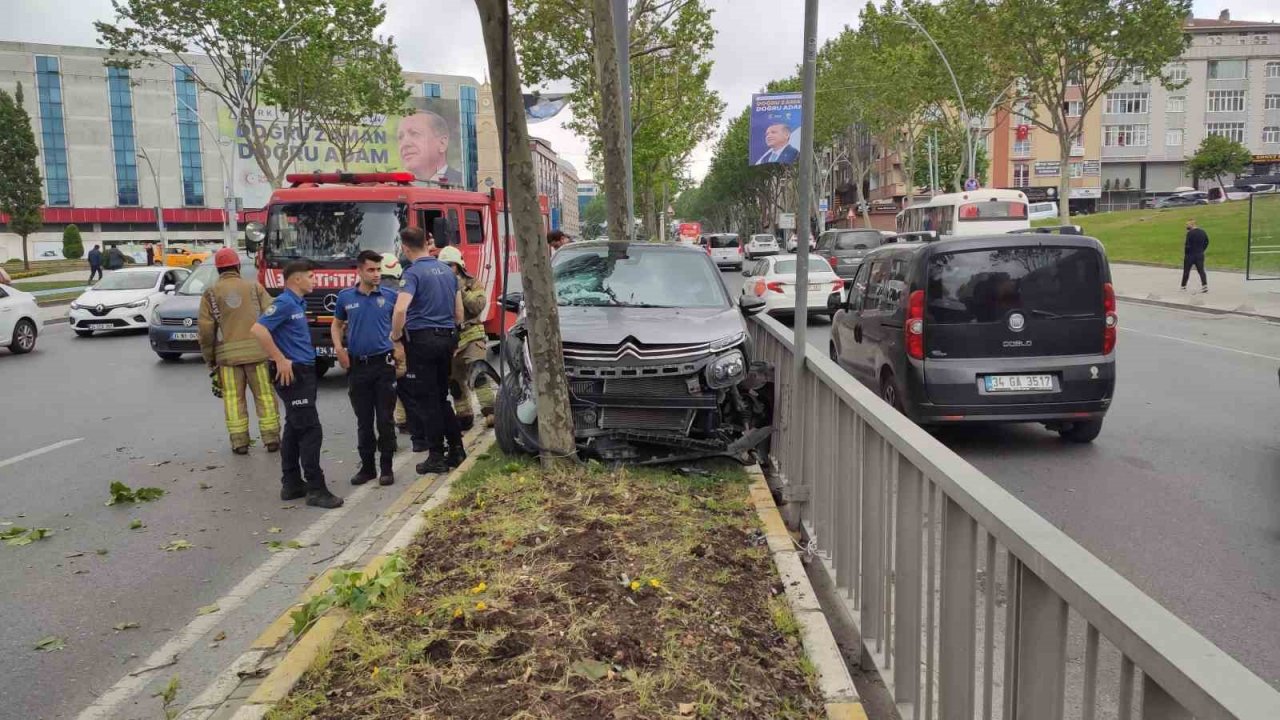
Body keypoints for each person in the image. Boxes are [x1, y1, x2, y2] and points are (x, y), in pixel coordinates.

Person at [250, 260, 344, 509]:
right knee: (311, 429)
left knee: (294, 427)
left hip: (303, 371)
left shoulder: (297, 303)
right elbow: (258, 330)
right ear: (296, 280)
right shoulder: (283, 303)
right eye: (311, 277)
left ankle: (291, 483)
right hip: (294, 373)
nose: (315, 281)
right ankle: (316, 488)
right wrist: (280, 359)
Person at [391, 227, 465, 475]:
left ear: (405, 247)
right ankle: (456, 448)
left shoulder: (412, 274)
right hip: (447, 338)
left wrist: (396, 336)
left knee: (427, 401)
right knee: (441, 396)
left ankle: (436, 455)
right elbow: (459, 312)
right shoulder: (446, 270)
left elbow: (401, 309)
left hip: (422, 341)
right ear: (426, 243)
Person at [198, 247, 281, 455]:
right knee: (265, 396)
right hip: (258, 354)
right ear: (237, 266)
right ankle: (272, 439)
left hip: (227, 360)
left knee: (234, 400)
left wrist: (210, 359)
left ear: (218, 269)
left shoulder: (210, 294)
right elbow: (273, 315)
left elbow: (206, 331)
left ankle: (239, 443)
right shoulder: (255, 288)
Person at [331, 250, 400, 487]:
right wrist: (339, 349)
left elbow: (401, 326)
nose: (376, 274)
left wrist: (400, 349)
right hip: (358, 367)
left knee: (385, 419)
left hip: (383, 365)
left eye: (379, 269)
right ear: (359, 271)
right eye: (371, 270)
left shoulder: (390, 296)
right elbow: (336, 325)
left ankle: (387, 467)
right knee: (364, 420)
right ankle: (368, 467)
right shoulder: (345, 297)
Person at [438, 246, 494, 430]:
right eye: (443, 266)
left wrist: (460, 288)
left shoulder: (472, 283)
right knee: (454, 382)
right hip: (449, 338)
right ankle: (464, 416)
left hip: (472, 335)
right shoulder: (437, 284)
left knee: (478, 375)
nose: (446, 269)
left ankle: (491, 412)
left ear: (458, 266)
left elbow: (478, 306)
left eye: (450, 266)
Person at [397, 110, 463, 186]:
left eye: (414, 133)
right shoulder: (395, 189)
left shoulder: (467, 183)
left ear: (442, 143)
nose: (404, 143)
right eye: (400, 137)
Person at [1181, 218, 1209, 293]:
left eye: (1188, 224)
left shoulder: (1190, 233)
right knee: (1201, 270)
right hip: (1200, 254)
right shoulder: (1203, 232)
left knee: (1186, 271)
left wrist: (1186, 253)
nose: (1186, 226)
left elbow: (1187, 245)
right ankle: (1204, 286)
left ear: (1192, 224)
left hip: (1190, 255)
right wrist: (1202, 249)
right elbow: (1206, 242)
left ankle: (1183, 286)